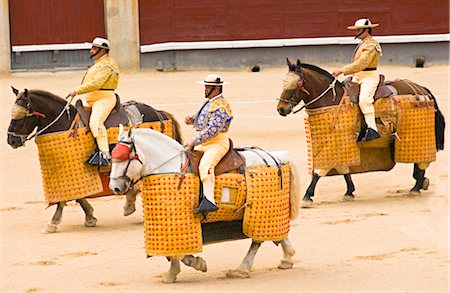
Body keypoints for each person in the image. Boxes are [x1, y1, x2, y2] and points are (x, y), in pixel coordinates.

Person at [184, 74, 233, 214]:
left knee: (206, 166)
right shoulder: (211, 102)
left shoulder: (221, 106)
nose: (205, 89)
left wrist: (194, 141)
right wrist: (192, 119)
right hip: (205, 143)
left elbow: (213, 130)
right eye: (205, 86)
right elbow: (205, 118)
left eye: (208, 87)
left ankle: (209, 201)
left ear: (216, 89)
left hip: (217, 143)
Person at [68, 37, 120, 165]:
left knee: (95, 122)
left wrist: (77, 90)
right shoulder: (98, 64)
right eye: (92, 48)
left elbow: (97, 83)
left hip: (104, 99)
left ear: (103, 50)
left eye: (94, 48)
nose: (91, 51)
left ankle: (105, 154)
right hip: (90, 99)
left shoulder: (108, 64)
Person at [332, 18, 382, 142]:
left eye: (358, 30)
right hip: (357, 76)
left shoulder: (371, 45)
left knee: (365, 100)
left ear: (366, 30)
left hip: (369, 77)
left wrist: (341, 70)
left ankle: (373, 129)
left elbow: (361, 64)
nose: (355, 32)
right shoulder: (364, 43)